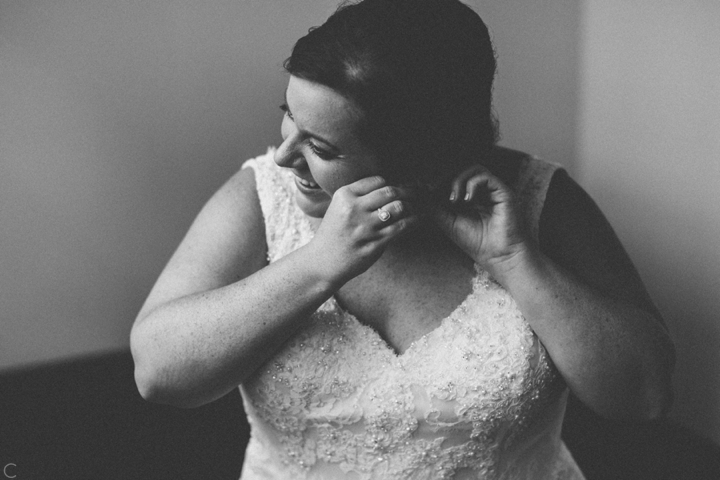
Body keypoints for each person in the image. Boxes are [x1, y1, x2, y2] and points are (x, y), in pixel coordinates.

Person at [130, 0, 675, 478]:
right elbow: (158, 373)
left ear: (418, 158)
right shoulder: (259, 196)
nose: (283, 156)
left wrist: (515, 261)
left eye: (321, 147)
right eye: (287, 118)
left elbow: (643, 397)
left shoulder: (541, 202)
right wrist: (316, 265)